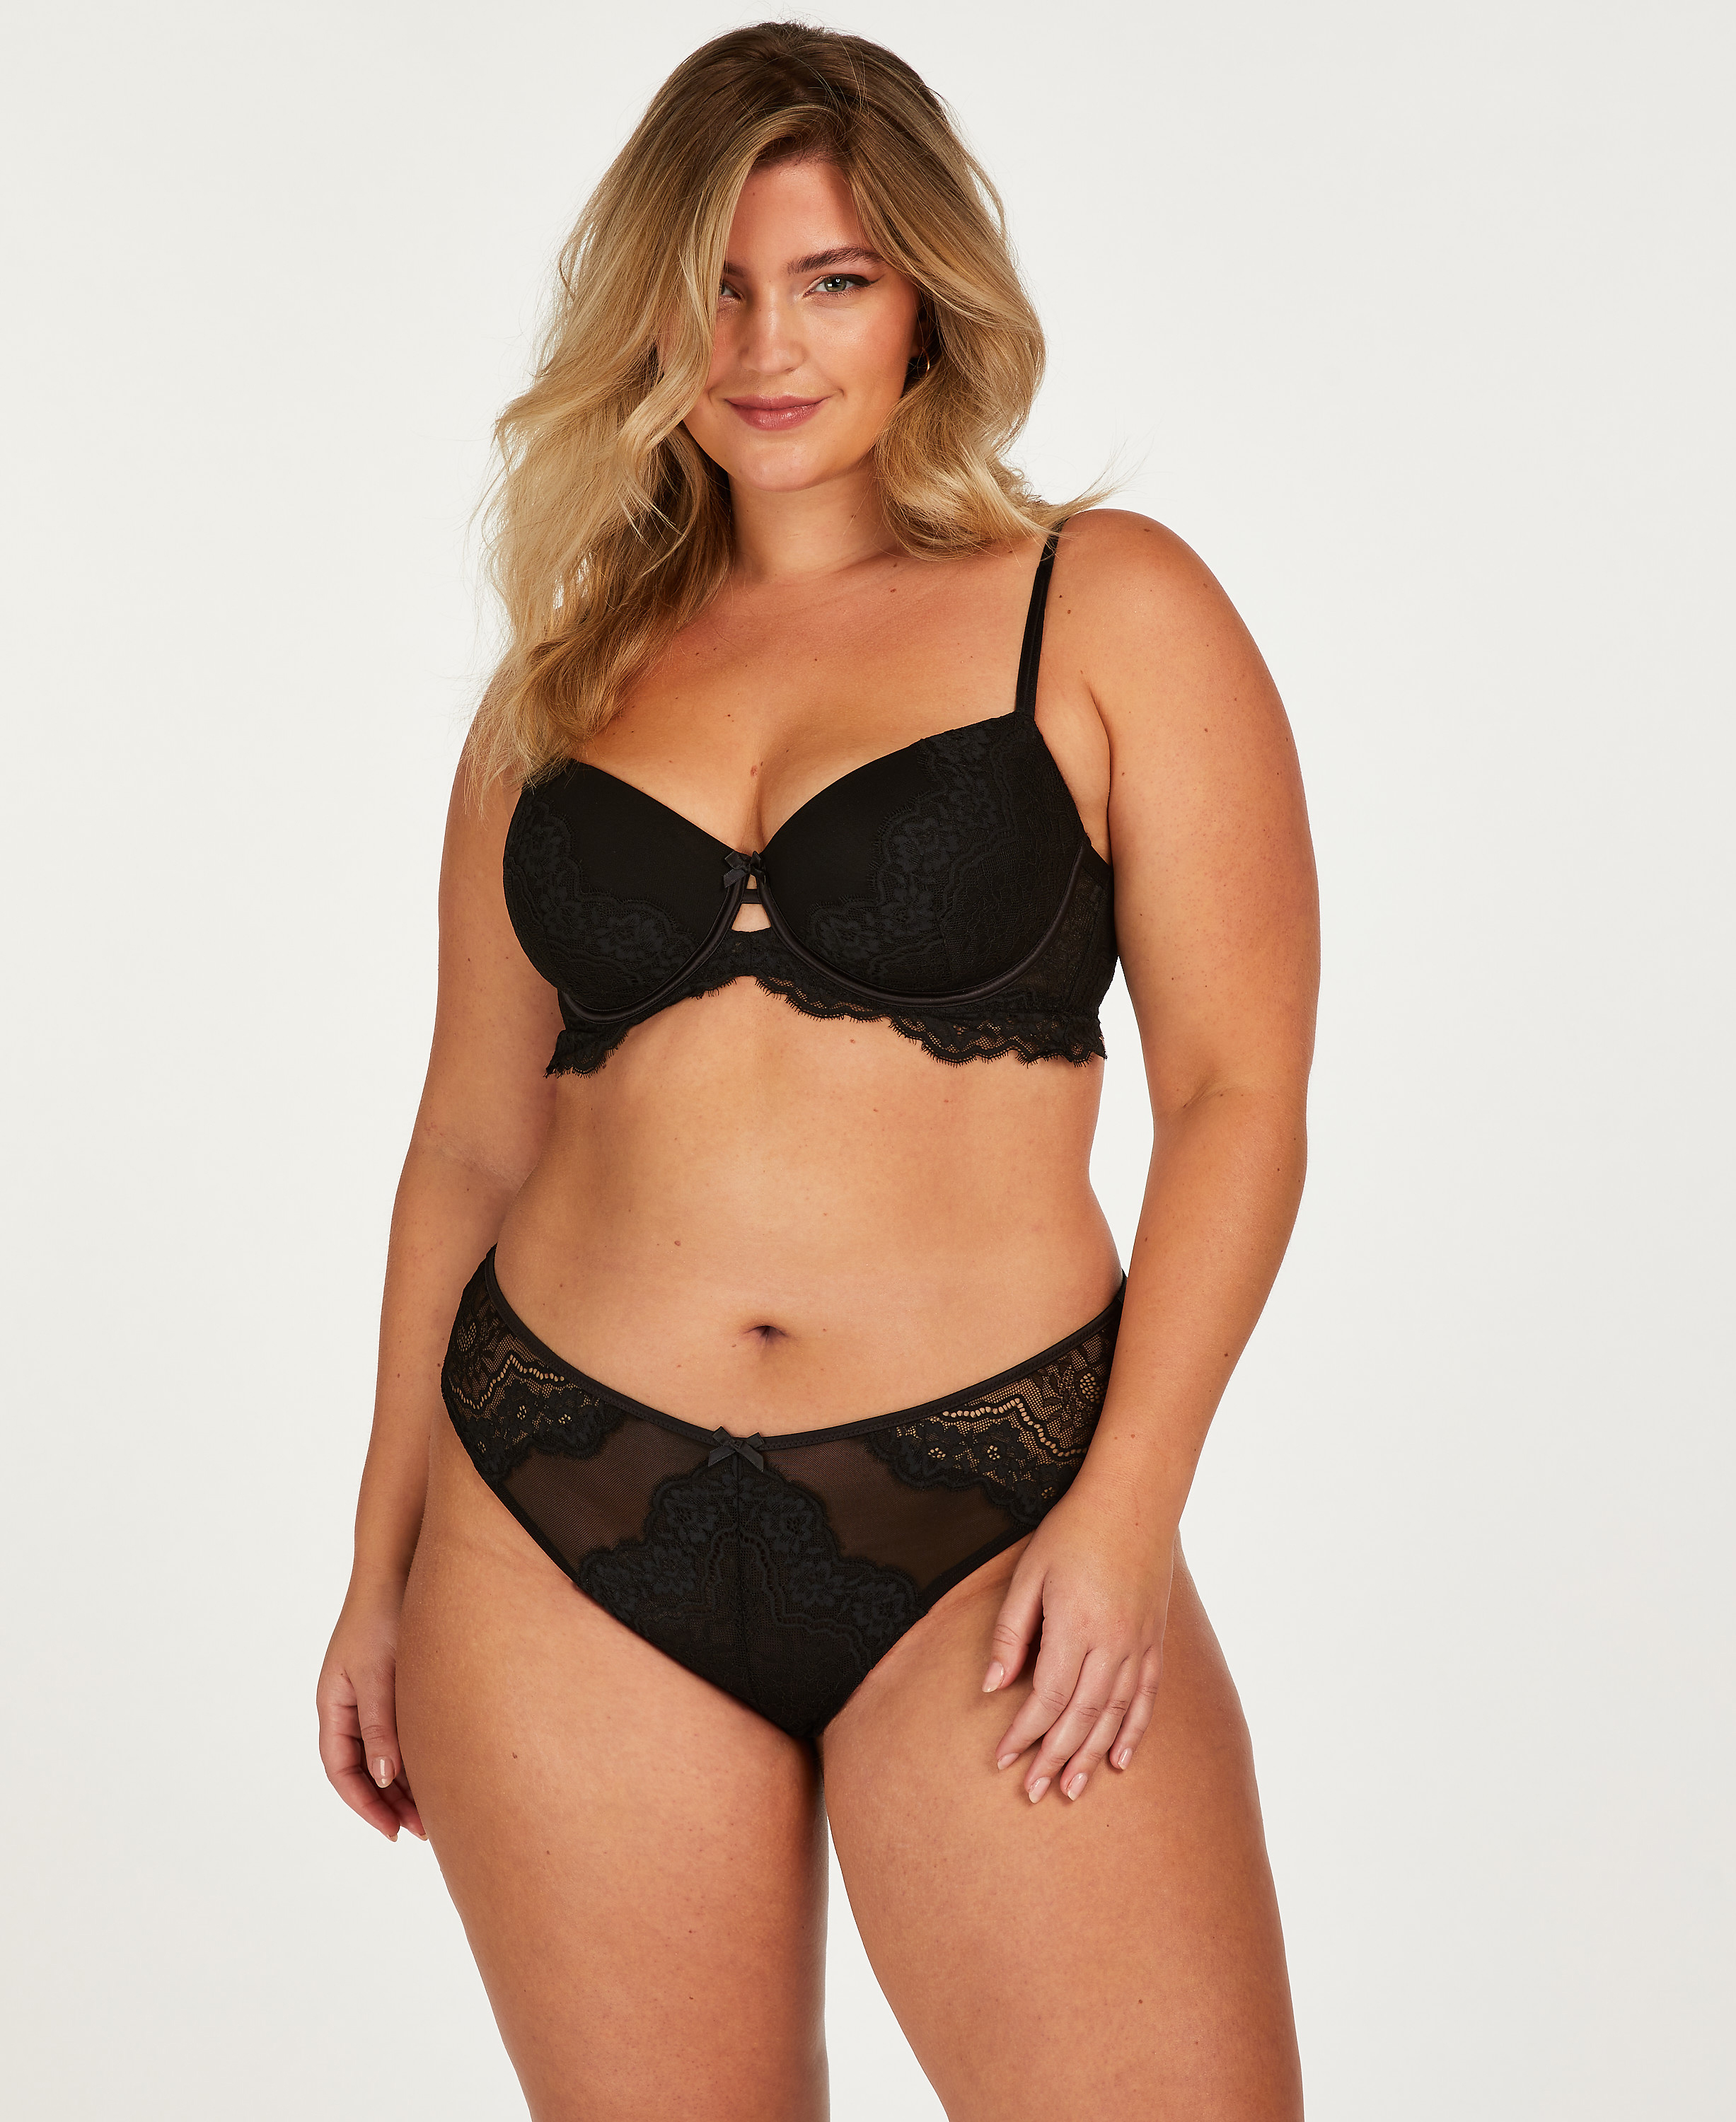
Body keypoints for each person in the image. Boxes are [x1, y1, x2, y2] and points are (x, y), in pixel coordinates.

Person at [317, 21, 1317, 2120]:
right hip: (547, 1518)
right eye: (715, 287)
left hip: (990, 1517)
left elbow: (1236, 1094)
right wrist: (376, 1565)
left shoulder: (1104, 606)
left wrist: (1128, 1516)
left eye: (832, 280)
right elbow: (468, 1140)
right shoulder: (561, 681)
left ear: (927, 298)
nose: (766, 347)